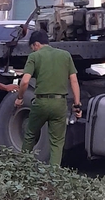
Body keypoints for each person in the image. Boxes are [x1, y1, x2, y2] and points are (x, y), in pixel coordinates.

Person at [16, 30, 81, 167]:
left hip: (41, 102)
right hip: (59, 103)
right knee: (57, 142)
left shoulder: (34, 56)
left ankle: (22, 168)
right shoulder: (65, 55)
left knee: (30, 135)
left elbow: (25, 81)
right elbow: (74, 81)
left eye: (32, 47)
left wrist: (20, 97)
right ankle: (54, 174)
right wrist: (77, 105)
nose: (33, 50)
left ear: (36, 44)